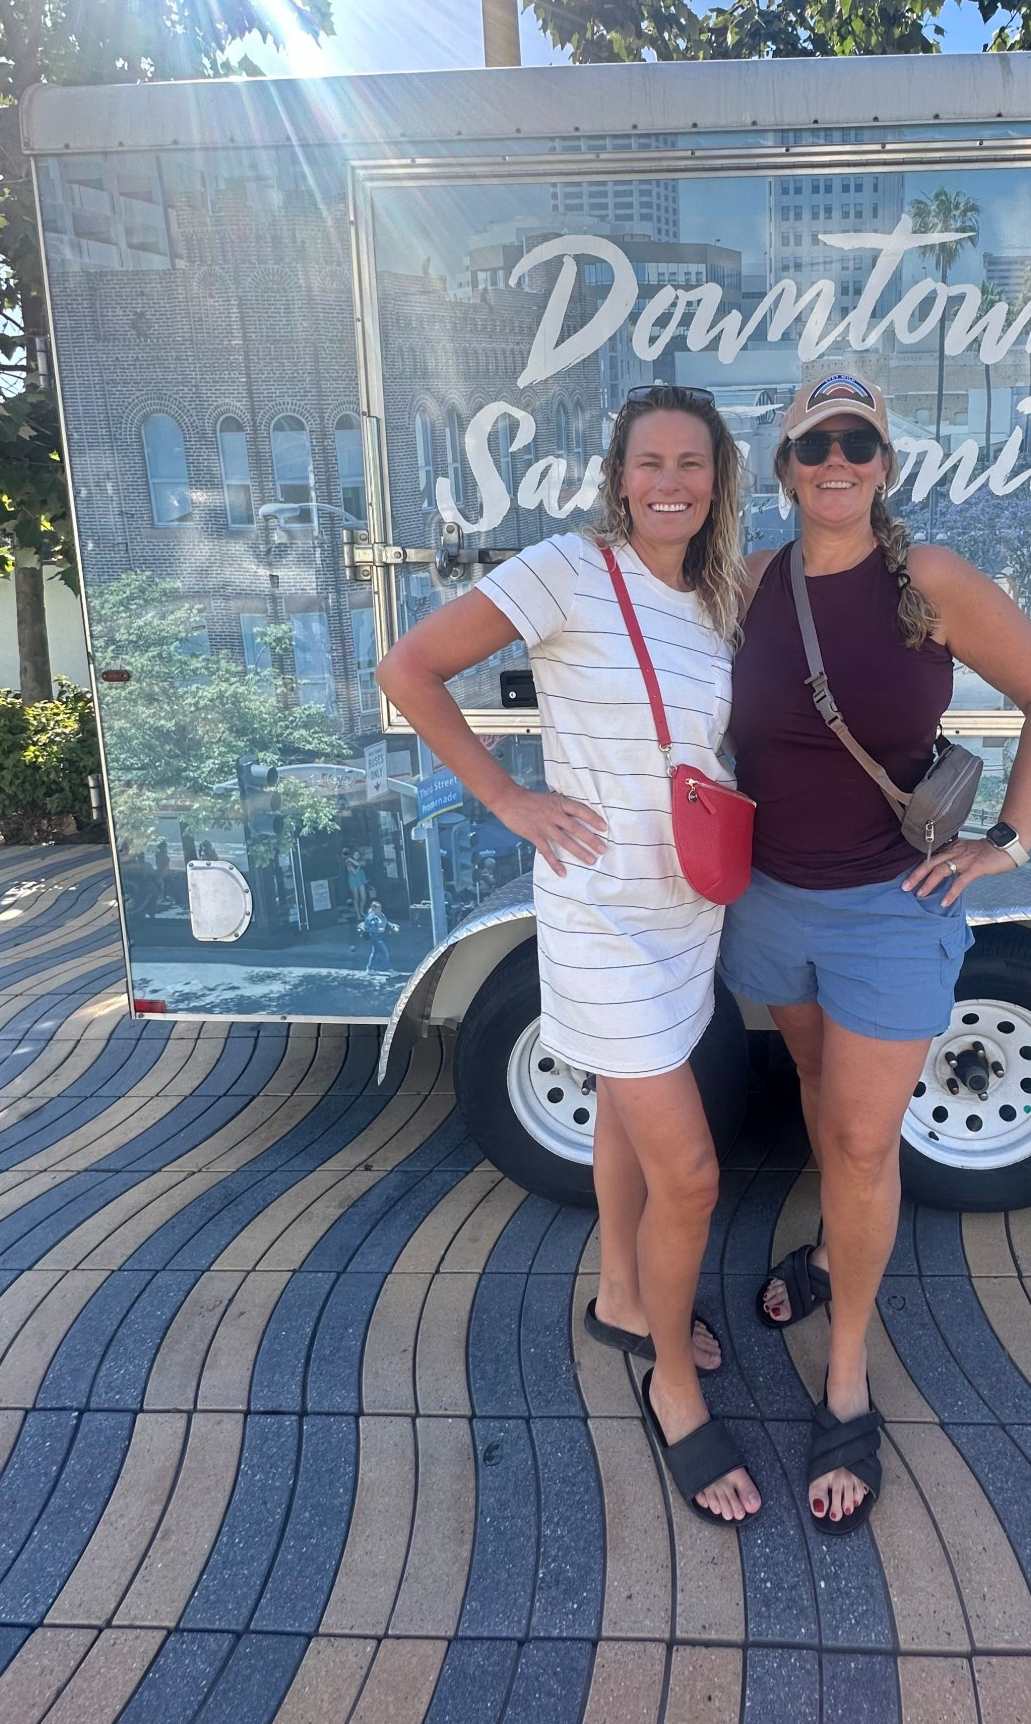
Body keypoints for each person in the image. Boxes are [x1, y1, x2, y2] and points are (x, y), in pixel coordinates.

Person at [376, 383, 760, 1529]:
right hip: (596, 910)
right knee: (689, 1168)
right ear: (619, 474)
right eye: (651, 461)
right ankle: (674, 1385)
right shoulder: (565, 567)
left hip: (685, 906)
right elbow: (410, 667)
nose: (672, 482)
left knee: (624, 1126)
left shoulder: (718, 597)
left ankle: (626, 1297)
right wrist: (507, 795)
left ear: (717, 478)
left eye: (693, 462)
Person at [721, 371, 1031, 1535]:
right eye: (814, 442)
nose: (836, 458)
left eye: (857, 441)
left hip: (890, 905)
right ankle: (827, 1245)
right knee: (825, 1101)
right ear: (782, 467)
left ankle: (849, 1370)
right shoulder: (753, 583)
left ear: (884, 460)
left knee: (866, 1135)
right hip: (771, 900)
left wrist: (1006, 843)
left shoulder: (928, 581)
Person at [358, 898, 398, 972]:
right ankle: (389, 969)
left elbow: (385, 922)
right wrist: (377, 930)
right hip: (375, 937)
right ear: (374, 908)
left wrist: (392, 925)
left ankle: (369, 968)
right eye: (379, 907)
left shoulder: (381, 914)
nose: (381, 908)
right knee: (384, 952)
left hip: (382, 936)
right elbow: (367, 929)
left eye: (380, 907)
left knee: (374, 953)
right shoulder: (370, 917)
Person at [345, 848, 370, 919]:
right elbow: (355, 873)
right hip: (353, 880)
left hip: (361, 879)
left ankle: (361, 910)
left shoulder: (359, 860)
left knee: (364, 898)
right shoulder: (349, 863)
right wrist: (359, 865)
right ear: (352, 855)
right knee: (356, 898)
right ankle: (358, 914)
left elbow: (363, 863)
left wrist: (360, 864)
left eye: (358, 854)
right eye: (355, 854)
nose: (357, 856)